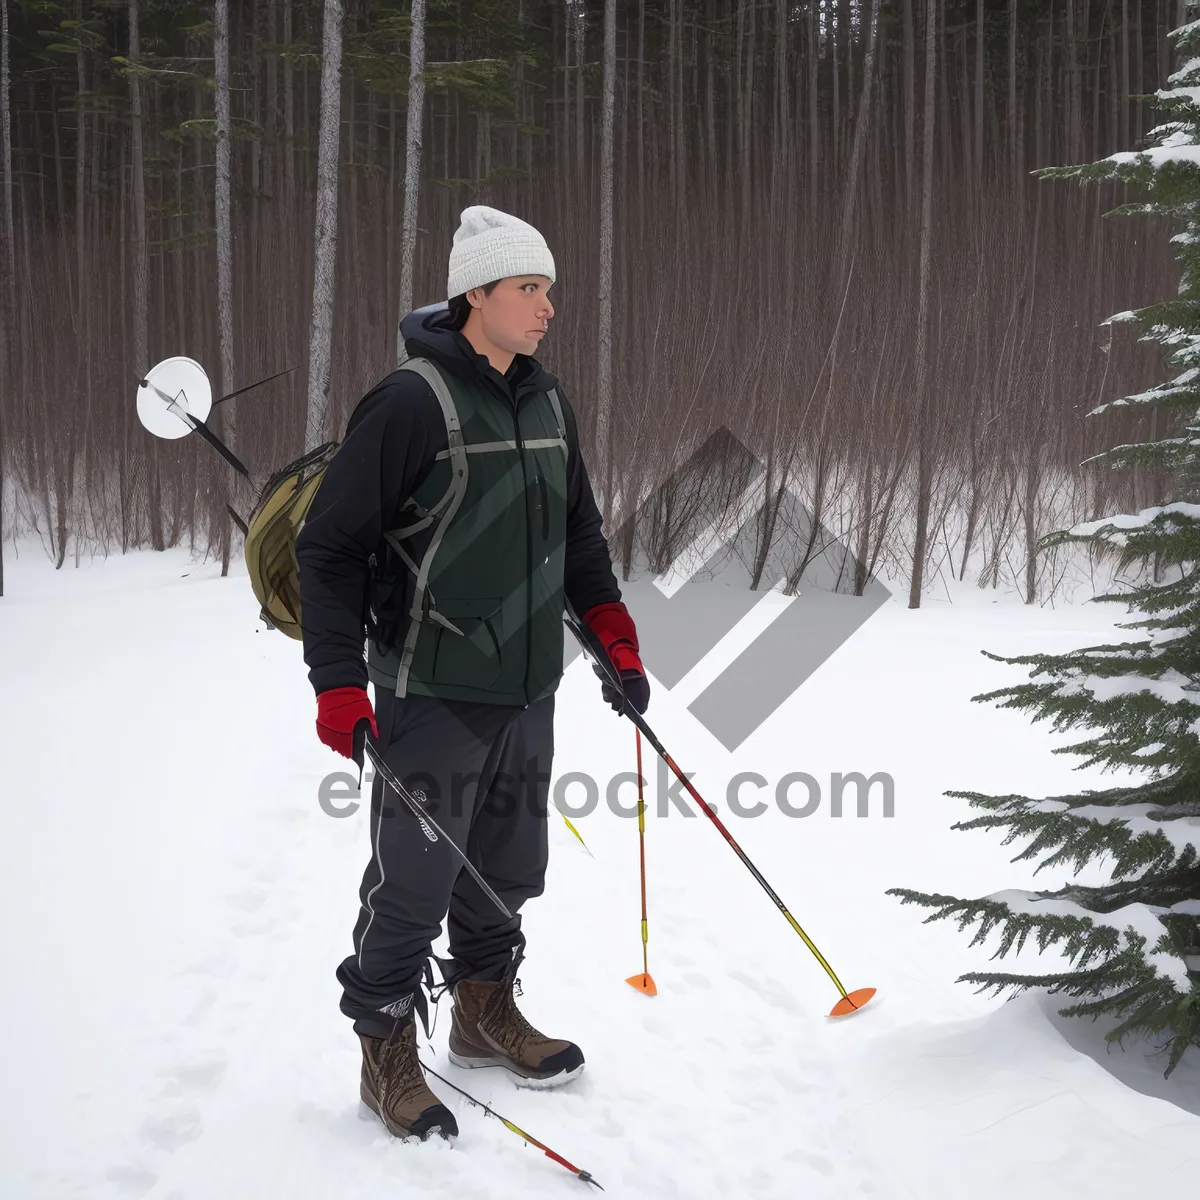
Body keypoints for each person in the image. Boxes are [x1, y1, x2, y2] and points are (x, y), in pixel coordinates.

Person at [295, 205, 650, 1143]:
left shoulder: (546, 400)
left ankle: (484, 1013)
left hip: (530, 684)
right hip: (433, 688)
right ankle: (383, 1049)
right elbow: (329, 552)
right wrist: (336, 685)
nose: (546, 308)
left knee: (507, 868)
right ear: (477, 295)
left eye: (549, 291)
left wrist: (613, 633)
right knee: (412, 879)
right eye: (529, 289)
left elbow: (578, 534)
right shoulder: (408, 403)